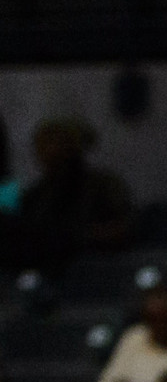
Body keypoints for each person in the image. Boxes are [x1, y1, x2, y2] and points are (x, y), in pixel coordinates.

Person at [7, 116, 132, 273]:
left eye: (57, 142)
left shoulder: (102, 186)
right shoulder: (36, 194)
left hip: (98, 267)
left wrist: (83, 236)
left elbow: (122, 227)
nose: (49, 151)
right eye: (44, 144)